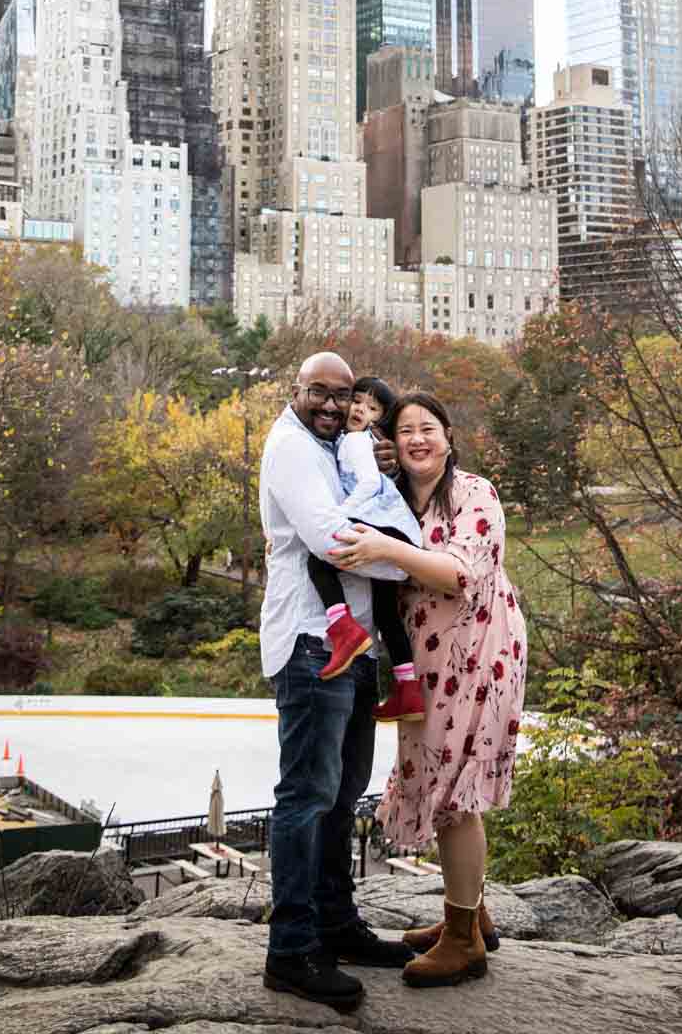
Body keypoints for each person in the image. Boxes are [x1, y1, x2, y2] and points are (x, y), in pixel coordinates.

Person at [328, 390, 526, 989]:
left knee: (454, 795)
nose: (417, 439)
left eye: (428, 428)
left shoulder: (475, 493)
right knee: (437, 782)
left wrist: (390, 547)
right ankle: (469, 914)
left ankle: (464, 941)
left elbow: (459, 572)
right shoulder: (390, 497)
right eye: (406, 430)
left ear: (448, 436)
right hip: (427, 666)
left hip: (481, 656)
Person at [258, 352, 416, 1010]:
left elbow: (362, 528)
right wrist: (405, 558)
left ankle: (334, 924)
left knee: (343, 791)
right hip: (308, 643)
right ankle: (290, 949)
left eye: (341, 394)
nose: (330, 404)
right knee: (306, 795)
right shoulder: (292, 448)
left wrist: (386, 539)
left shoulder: (337, 446)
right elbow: (329, 541)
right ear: (294, 391)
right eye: (317, 392)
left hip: (353, 647)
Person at [303, 374, 426, 723]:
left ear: (381, 418)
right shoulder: (355, 440)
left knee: (320, 558)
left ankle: (342, 629)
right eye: (357, 401)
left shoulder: (357, 441)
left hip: (382, 525)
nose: (360, 410)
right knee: (386, 612)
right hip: (399, 531)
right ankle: (408, 689)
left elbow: (371, 483)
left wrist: (340, 516)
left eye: (372, 408)